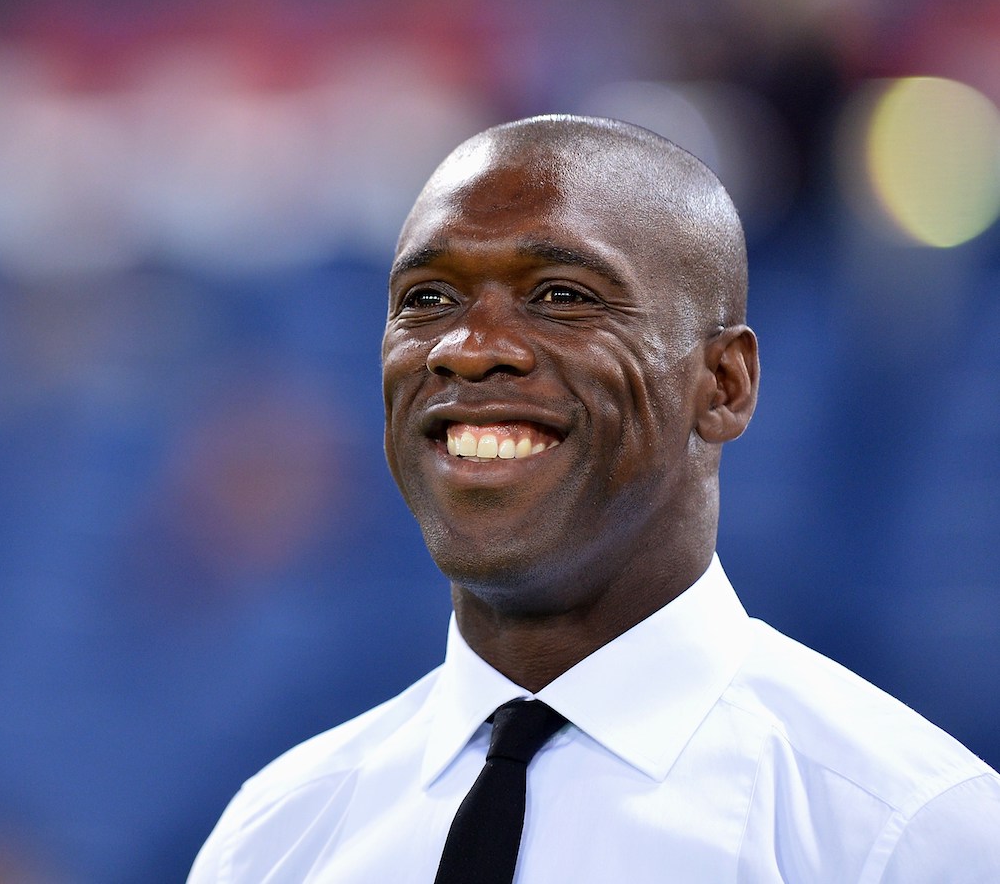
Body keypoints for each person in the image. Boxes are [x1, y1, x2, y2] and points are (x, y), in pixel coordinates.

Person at [187, 116, 1000, 882]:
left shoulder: (906, 835)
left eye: (563, 297)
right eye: (428, 299)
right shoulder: (274, 839)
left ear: (724, 383)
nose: (470, 350)